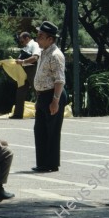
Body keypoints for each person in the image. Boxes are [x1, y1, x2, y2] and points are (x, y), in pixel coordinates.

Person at [32, 21, 66, 173]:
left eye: (40, 36)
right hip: (42, 95)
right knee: (40, 129)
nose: (37, 38)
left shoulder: (55, 55)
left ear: (50, 39)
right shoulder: (44, 52)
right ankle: (43, 162)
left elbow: (59, 80)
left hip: (52, 94)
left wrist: (55, 101)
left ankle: (51, 163)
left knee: (52, 130)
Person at [12, 32, 41, 119]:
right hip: (23, 70)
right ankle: (18, 114)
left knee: (37, 92)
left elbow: (35, 57)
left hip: (32, 69)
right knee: (20, 91)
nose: (21, 43)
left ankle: (40, 113)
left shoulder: (34, 45)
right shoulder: (26, 47)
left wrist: (23, 61)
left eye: (22, 41)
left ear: (27, 38)